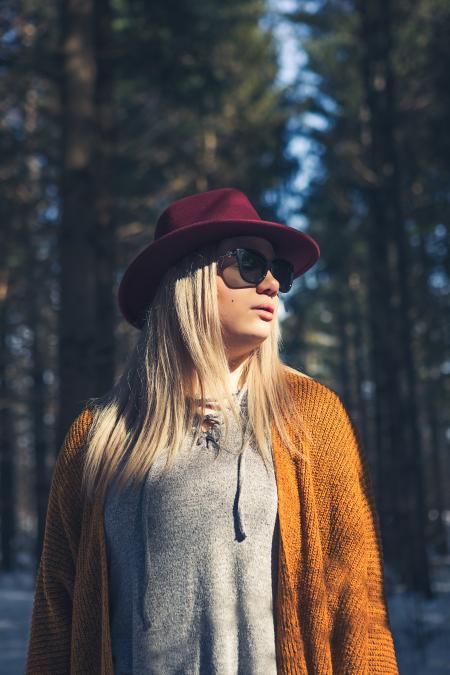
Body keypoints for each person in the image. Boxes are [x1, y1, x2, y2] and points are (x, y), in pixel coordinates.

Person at [25, 187, 399, 674]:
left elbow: (356, 602)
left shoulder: (309, 416)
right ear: (189, 277)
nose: (270, 285)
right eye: (248, 263)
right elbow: (57, 617)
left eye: (278, 272)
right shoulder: (100, 436)